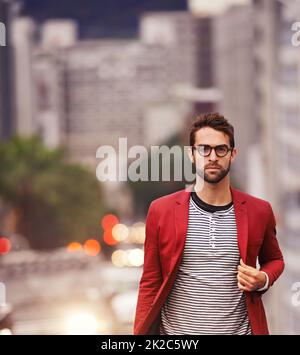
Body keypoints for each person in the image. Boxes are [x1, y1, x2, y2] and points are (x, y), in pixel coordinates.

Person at [133, 112, 284, 335]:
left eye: (220, 149)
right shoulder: (161, 210)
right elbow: (150, 283)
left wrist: (262, 279)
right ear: (192, 154)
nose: (212, 156)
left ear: (232, 154)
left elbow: (275, 260)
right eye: (204, 149)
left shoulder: (258, 210)